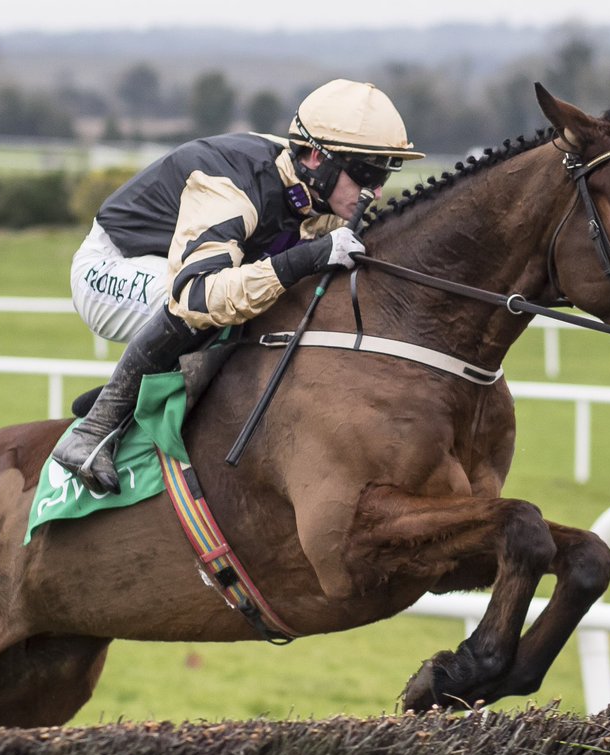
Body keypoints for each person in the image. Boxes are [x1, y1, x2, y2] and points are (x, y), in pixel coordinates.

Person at [53, 78, 424, 494]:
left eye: (384, 174)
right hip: (112, 267)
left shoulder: (316, 188)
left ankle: (132, 395)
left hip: (179, 266)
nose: (373, 190)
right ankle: (93, 428)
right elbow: (194, 295)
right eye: (365, 174)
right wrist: (305, 258)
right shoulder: (231, 186)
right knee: (215, 305)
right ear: (318, 159)